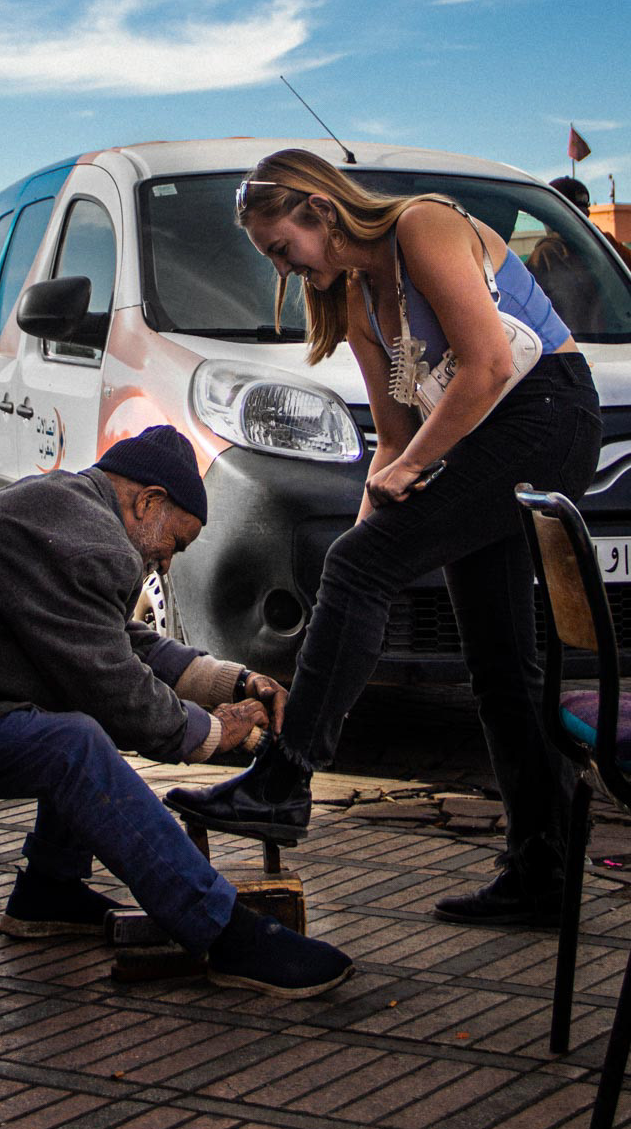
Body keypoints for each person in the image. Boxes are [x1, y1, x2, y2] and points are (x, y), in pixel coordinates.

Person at [167, 150, 602, 929]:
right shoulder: (357, 299)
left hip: (547, 415)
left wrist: (369, 548)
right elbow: (394, 440)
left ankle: (284, 782)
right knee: (498, 661)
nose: (282, 268)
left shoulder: (422, 226)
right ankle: (543, 867)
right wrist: (364, 546)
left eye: (281, 248)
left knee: (372, 573)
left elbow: (488, 365)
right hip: (483, 436)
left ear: (320, 210)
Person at [0, 424, 351, 997]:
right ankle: (223, 933)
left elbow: (114, 641)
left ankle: (49, 890)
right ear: (148, 501)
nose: (164, 566)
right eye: (175, 544)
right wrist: (211, 733)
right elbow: (114, 686)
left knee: (75, 711)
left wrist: (231, 683)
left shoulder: (70, 510)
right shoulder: (88, 540)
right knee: (73, 744)